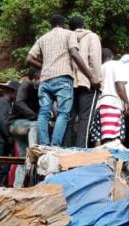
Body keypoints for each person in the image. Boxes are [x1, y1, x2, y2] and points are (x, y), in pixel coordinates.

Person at [26, 14, 93, 147]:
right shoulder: (69, 34)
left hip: (45, 80)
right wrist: (89, 75)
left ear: (51, 25)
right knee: (63, 113)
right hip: (63, 78)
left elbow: (28, 59)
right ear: (64, 25)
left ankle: (44, 145)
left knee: (44, 112)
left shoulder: (43, 38)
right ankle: (55, 145)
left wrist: (43, 65)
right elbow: (74, 54)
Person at [68, 16, 103, 148]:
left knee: (69, 119)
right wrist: (96, 79)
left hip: (70, 83)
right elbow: (94, 59)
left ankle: (65, 148)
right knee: (85, 120)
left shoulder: (67, 37)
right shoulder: (92, 36)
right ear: (84, 25)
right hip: (88, 83)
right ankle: (81, 150)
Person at [91, 48, 129, 145]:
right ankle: (109, 158)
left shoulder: (99, 68)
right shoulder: (116, 64)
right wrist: (126, 102)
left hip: (99, 105)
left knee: (98, 136)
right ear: (112, 56)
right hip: (111, 104)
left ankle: (98, 158)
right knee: (111, 136)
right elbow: (119, 84)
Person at [9, 68, 40, 187]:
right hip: (19, 124)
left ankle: (18, 187)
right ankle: (33, 152)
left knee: (22, 159)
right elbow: (19, 102)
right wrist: (34, 116)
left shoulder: (34, 88)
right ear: (35, 77)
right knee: (36, 125)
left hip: (18, 125)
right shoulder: (26, 84)